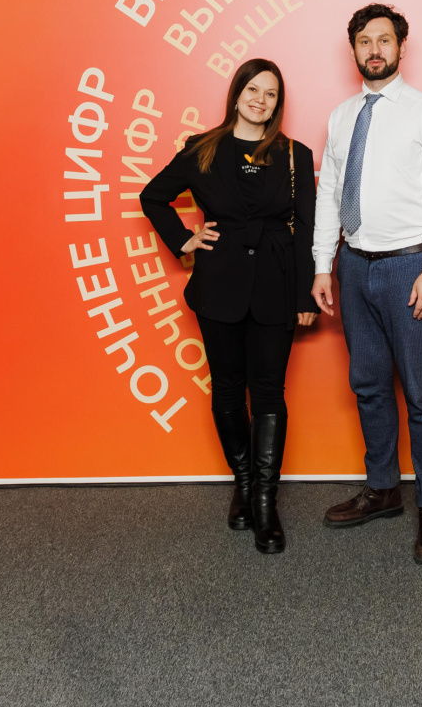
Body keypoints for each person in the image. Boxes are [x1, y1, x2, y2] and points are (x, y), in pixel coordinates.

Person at [140, 59, 318, 555]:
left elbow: (307, 227)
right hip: (218, 286)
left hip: (276, 286)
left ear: (278, 104)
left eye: (271, 94)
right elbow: (153, 197)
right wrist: (185, 239)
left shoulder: (294, 155)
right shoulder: (202, 147)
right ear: (237, 93)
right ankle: (243, 484)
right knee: (226, 389)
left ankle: (264, 503)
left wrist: (305, 294)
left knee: (268, 392)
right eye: (253, 89)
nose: (261, 100)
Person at [311, 3, 422, 565]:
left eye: (384, 40)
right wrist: (323, 264)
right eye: (364, 41)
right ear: (353, 49)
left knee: (421, 393)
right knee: (369, 385)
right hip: (354, 267)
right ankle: (383, 489)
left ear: (400, 47)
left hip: (408, 267)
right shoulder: (342, 116)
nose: (374, 50)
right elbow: (329, 194)